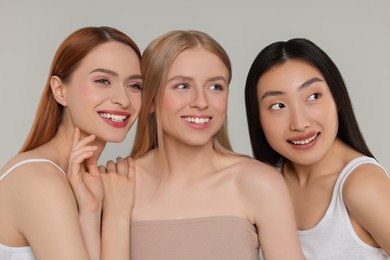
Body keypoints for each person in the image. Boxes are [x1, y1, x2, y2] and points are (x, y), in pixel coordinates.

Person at [128, 30, 304, 260]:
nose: (201, 102)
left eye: (215, 87)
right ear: (149, 99)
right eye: (182, 86)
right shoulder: (119, 183)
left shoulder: (259, 183)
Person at [0, 26, 142, 260]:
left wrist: (91, 212)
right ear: (59, 90)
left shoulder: (78, 182)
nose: (123, 99)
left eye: (134, 85)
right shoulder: (39, 179)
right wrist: (117, 215)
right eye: (103, 80)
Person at [244, 38, 390, 259]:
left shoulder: (361, 185)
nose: (299, 123)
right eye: (278, 105)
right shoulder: (269, 182)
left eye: (313, 96)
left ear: (337, 98)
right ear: (258, 119)